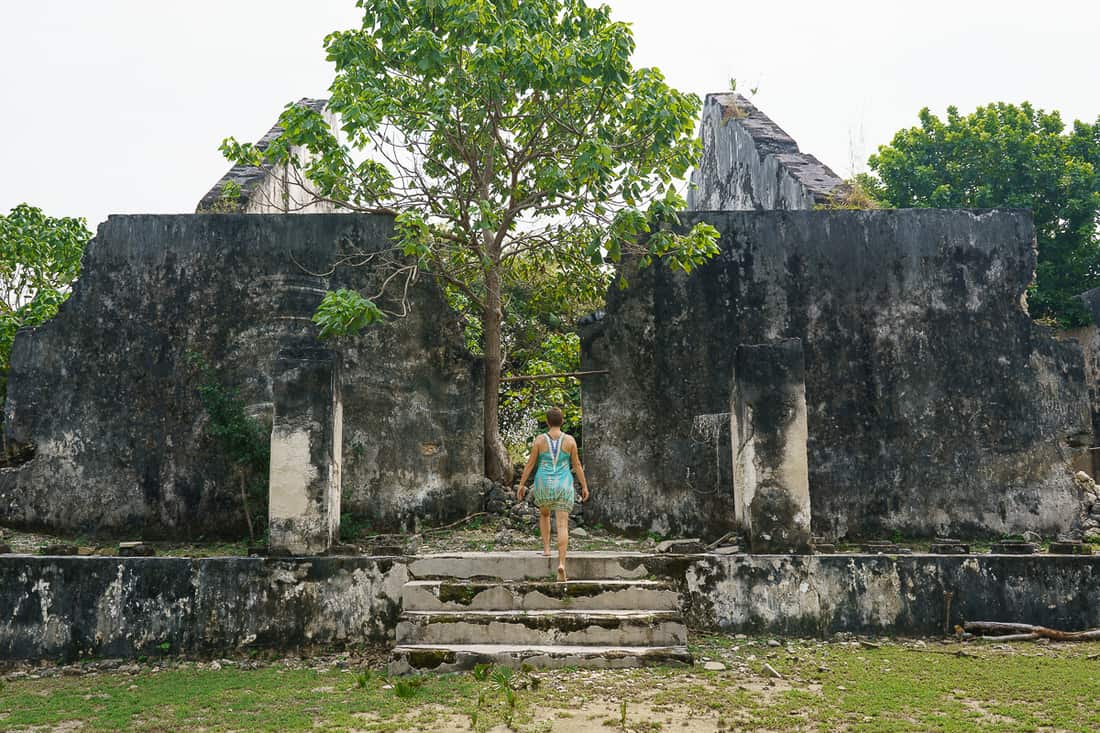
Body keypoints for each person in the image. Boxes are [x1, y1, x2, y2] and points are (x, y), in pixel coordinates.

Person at [516, 407, 590, 581]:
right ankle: (562, 564)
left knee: (544, 514)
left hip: (544, 483)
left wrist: (521, 484)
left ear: (547, 422)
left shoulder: (539, 440)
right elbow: (577, 465)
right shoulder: (570, 441)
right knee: (563, 524)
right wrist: (584, 486)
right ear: (562, 421)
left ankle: (547, 549)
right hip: (564, 484)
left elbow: (530, 464)